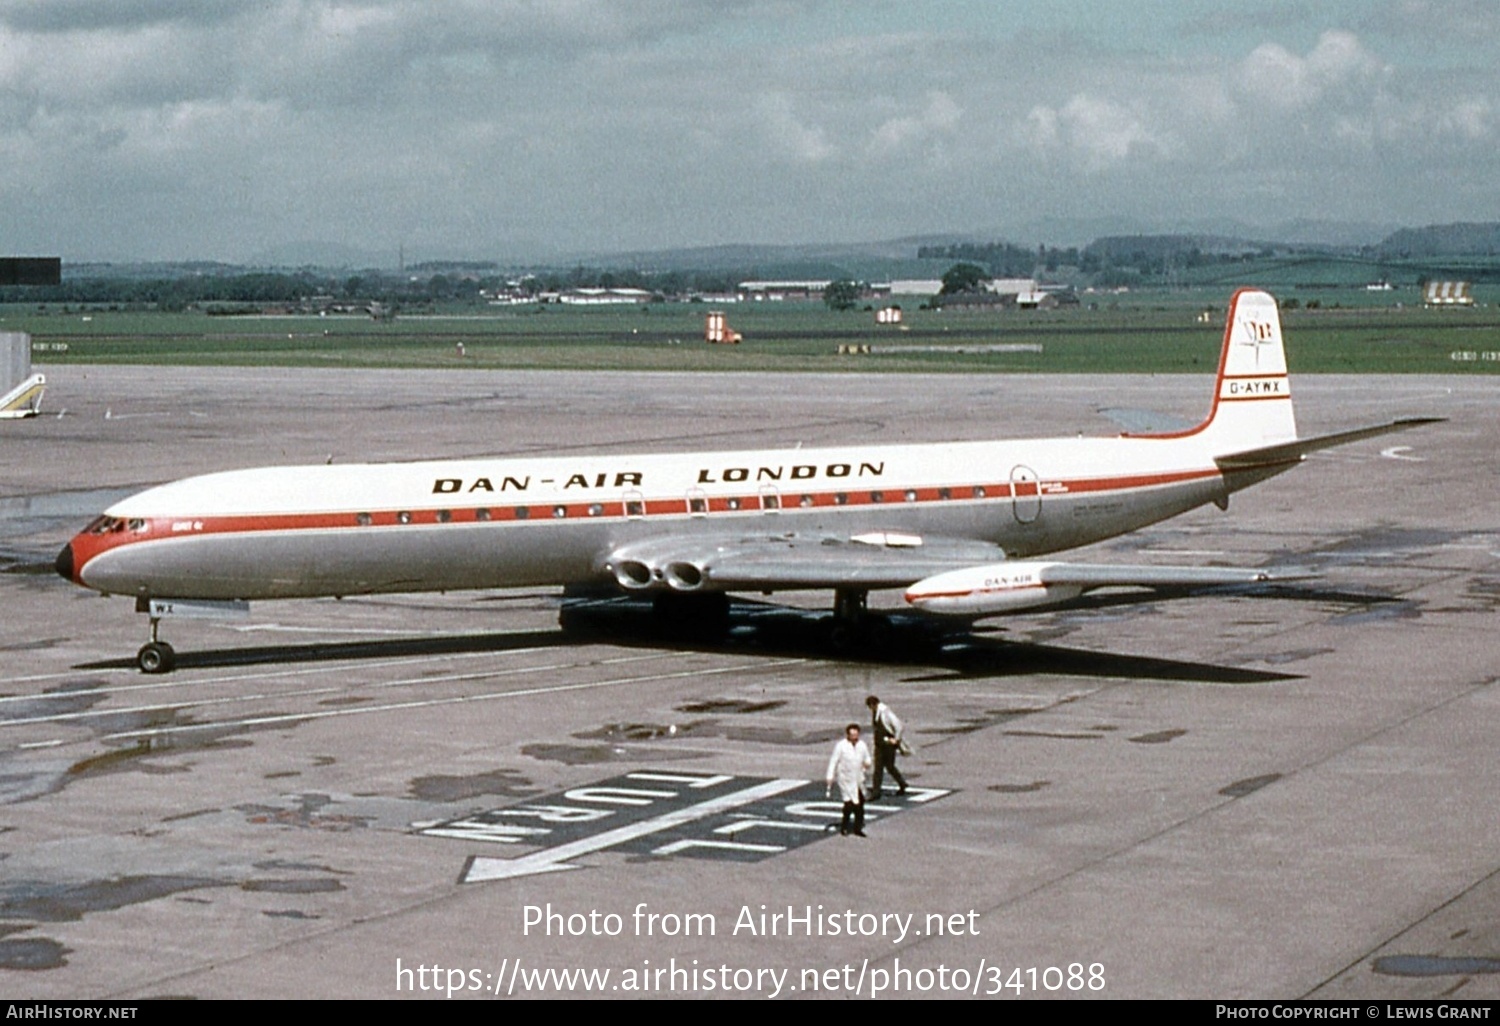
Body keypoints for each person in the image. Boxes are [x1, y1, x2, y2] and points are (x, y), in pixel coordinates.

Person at [825, 722, 872, 837]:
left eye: (856, 735)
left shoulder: (862, 745)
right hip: (845, 779)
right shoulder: (841, 746)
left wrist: (867, 764)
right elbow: (834, 761)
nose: (854, 737)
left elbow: (867, 758)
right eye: (852, 735)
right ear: (848, 735)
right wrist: (830, 776)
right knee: (849, 804)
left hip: (858, 779)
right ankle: (844, 826)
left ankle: (858, 827)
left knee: (860, 804)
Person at [866, 694, 908, 799]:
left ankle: (901, 783)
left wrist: (896, 739)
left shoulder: (885, 712)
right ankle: (876, 791)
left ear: (873, 705)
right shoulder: (876, 713)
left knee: (889, 766)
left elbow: (899, 725)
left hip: (888, 744)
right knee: (879, 768)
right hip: (880, 744)